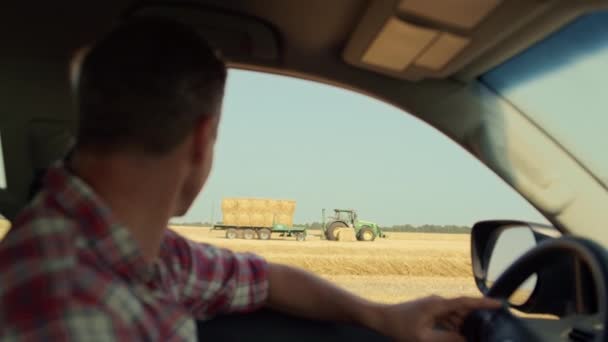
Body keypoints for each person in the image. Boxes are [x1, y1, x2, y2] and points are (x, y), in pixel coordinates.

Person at [0, 17, 499, 341]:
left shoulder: (138, 251)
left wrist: (382, 316)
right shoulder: (69, 312)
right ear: (201, 140)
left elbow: (264, 280)